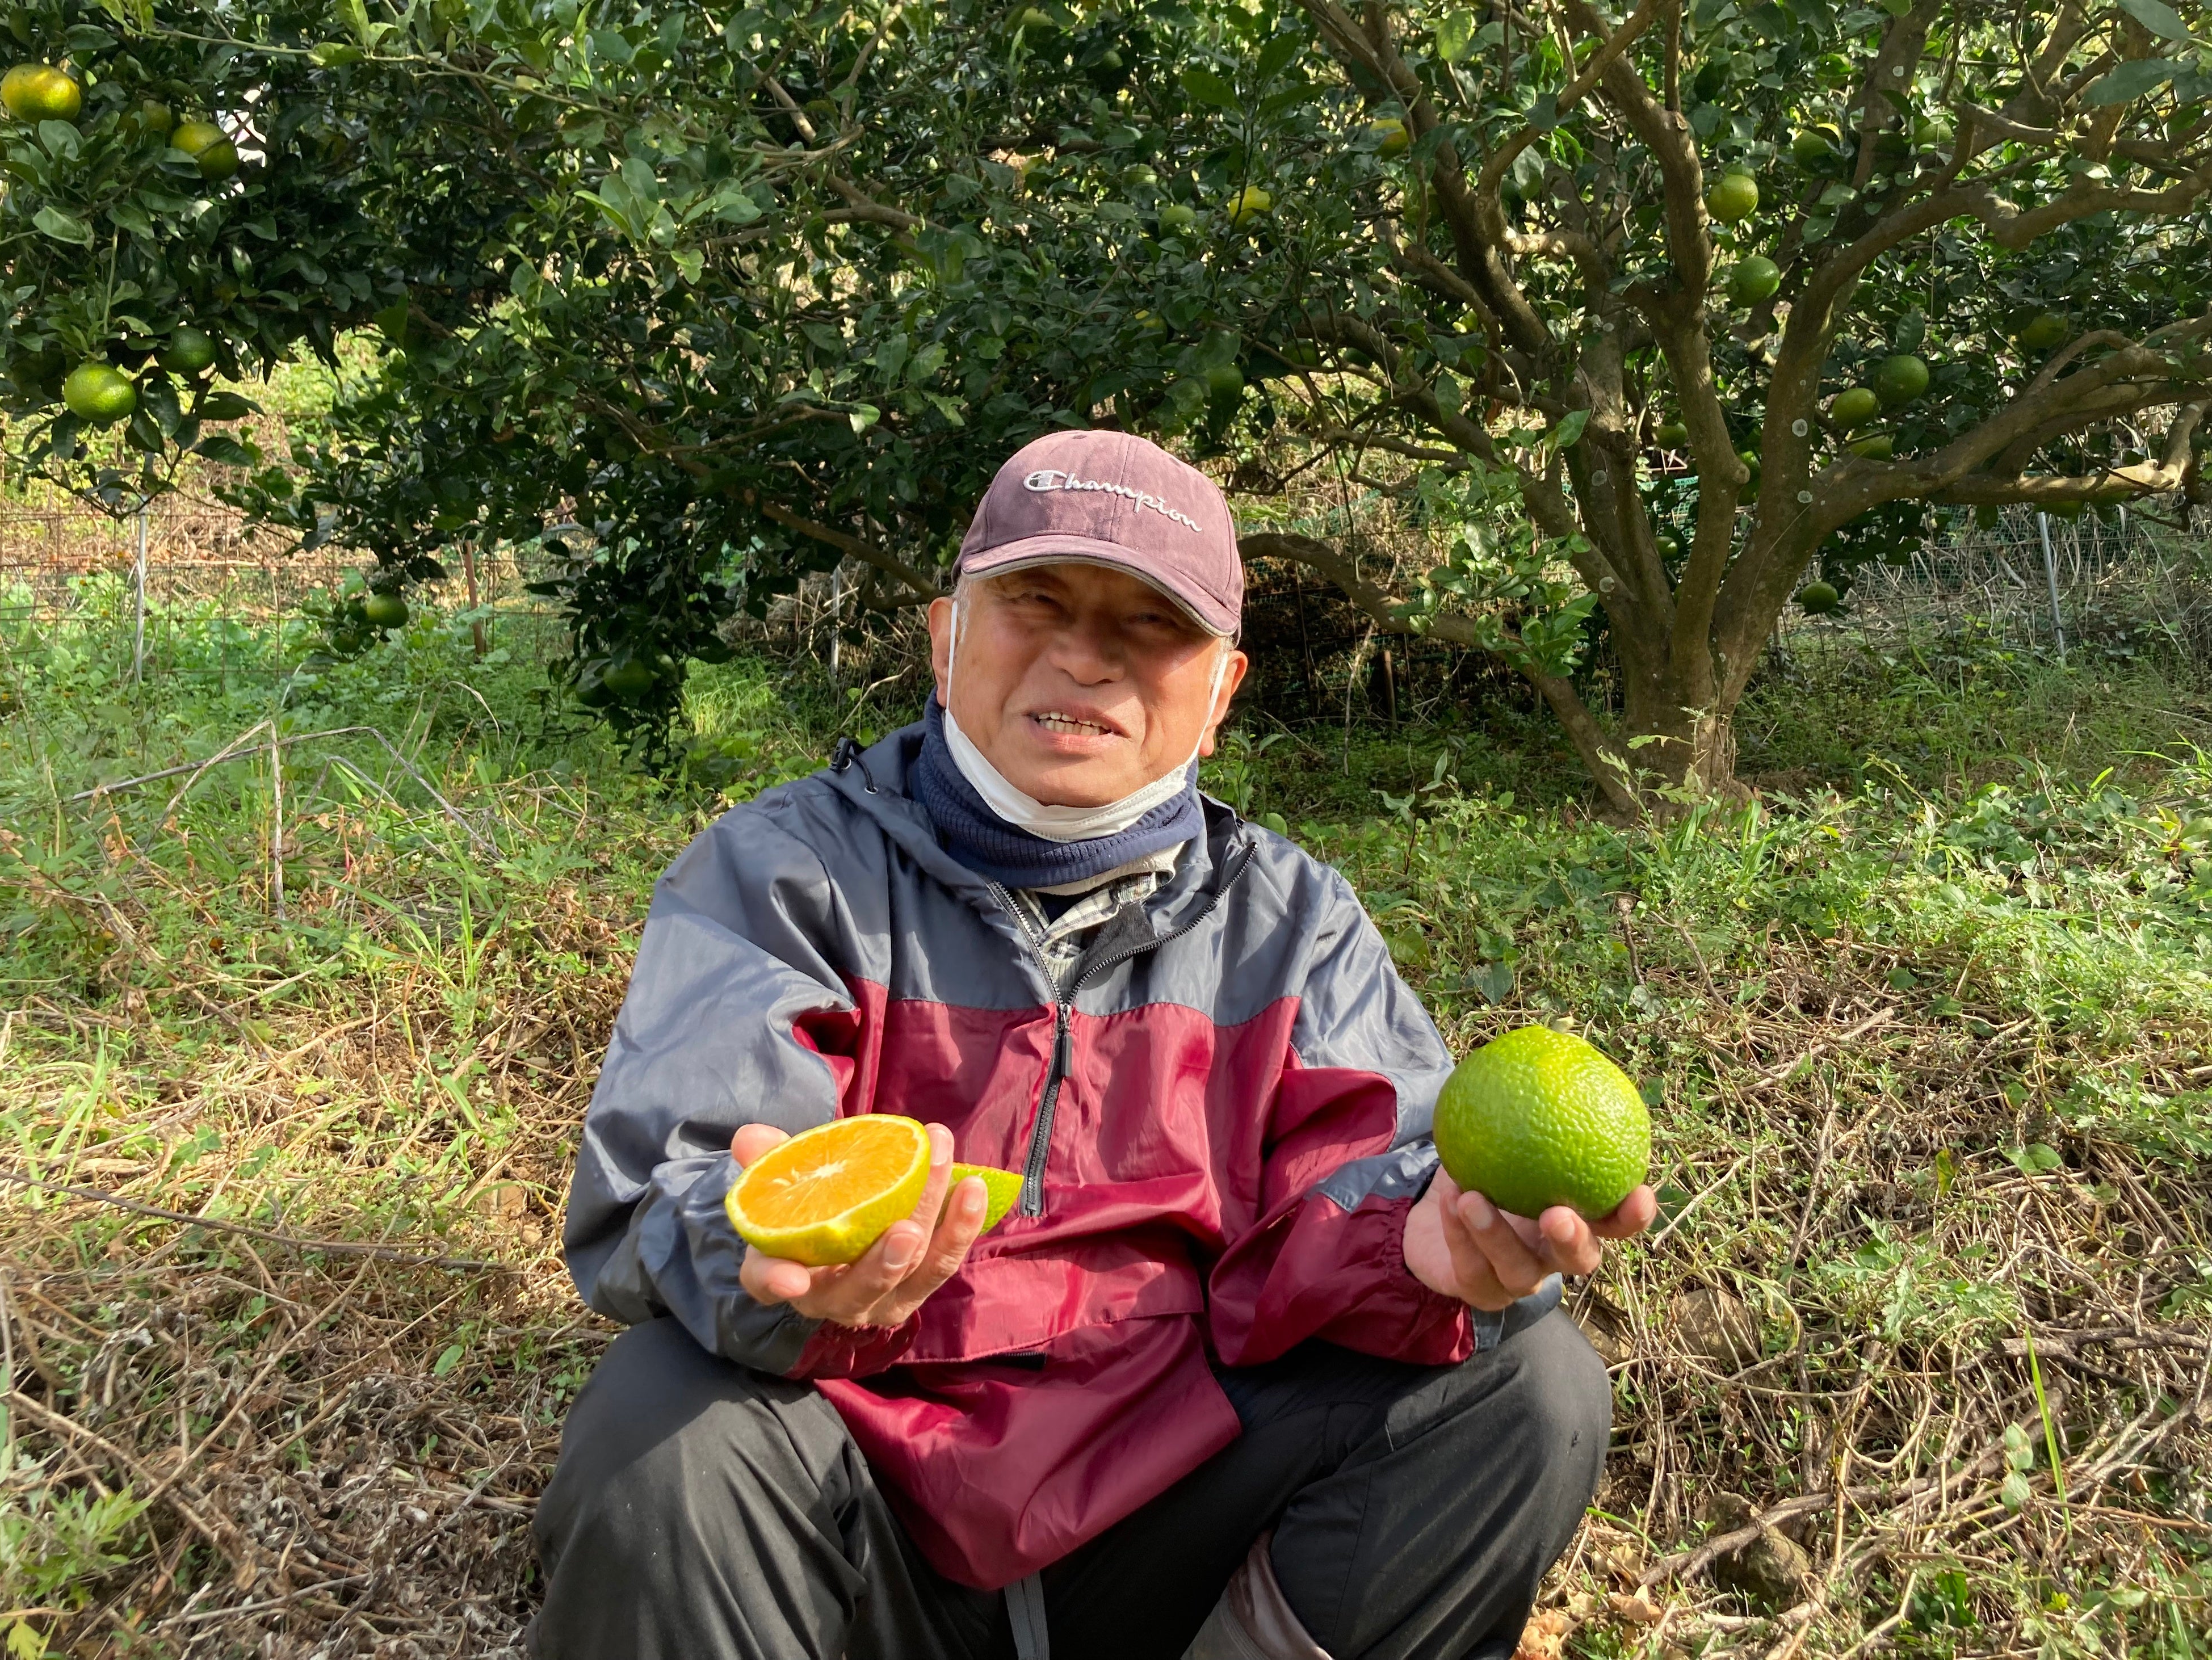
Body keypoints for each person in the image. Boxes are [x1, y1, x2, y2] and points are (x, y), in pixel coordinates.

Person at [532, 430, 1657, 1660]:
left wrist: (1427, 1246)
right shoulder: (781, 875)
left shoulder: (1290, 924)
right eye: (1037, 600)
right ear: (944, 635)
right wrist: (768, 1263)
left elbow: (1366, 1182)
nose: (1084, 652)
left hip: (1171, 1509)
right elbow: (669, 1186)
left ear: (1221, 690)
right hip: (859, 1499)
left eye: (1152, 624)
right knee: (662, 1422)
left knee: (1531, 1387)